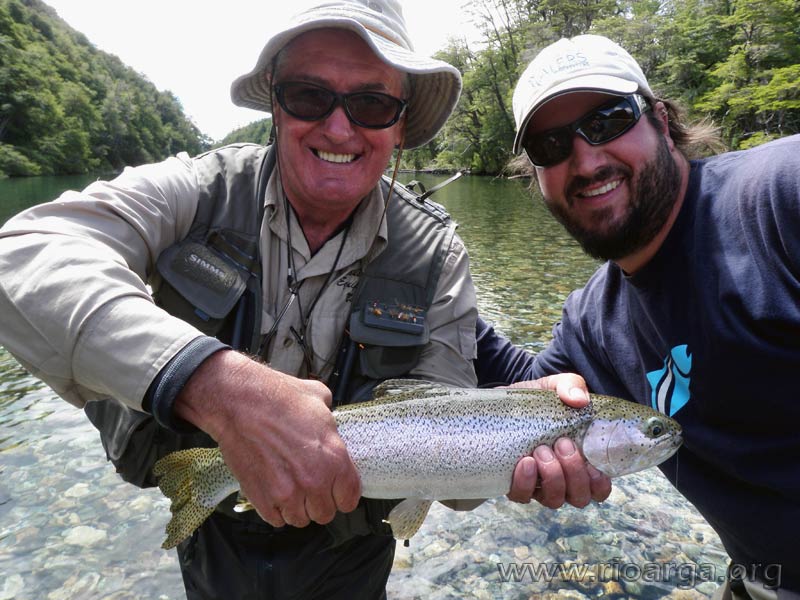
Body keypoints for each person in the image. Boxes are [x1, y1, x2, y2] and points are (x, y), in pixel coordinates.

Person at [0, 1, 588, 597]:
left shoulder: (437, 255)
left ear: (400, 125)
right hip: (220, 531)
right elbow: (20, 256)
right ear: (275, 108)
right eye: (309, 96)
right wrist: (212, 385)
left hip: (351, 551)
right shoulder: (195, 191)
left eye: (372, 104)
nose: (339, 128)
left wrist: (512, 435)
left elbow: (444, 438)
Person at [475, 34, 800, 598]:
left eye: (607, 121)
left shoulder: (779, 196)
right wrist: (430, 287)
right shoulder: (591, 324)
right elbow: (518, 398)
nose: (586, 158)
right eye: (551, 145)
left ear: (660, 119)